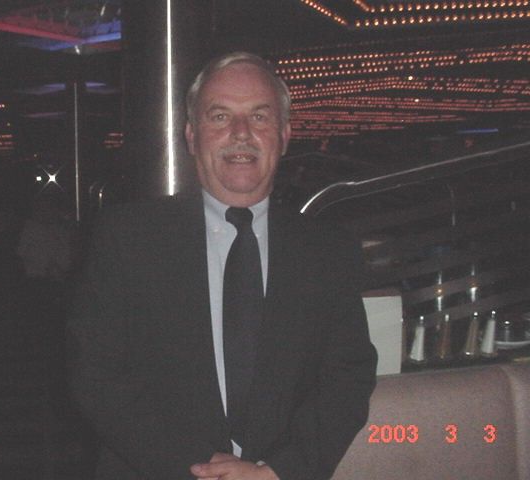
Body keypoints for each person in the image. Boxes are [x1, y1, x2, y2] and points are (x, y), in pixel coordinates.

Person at [67, 51, 377, 480]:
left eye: (260, 117)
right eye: (220, 117)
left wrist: (279, 471)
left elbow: (348, 377)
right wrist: (204, 471)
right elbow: (96, 374)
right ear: (192, 136)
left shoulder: (328, 250)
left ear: (284, 135)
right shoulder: (128, 238)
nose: (241, 133)